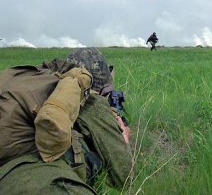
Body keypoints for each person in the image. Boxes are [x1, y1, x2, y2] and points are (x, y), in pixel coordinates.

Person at [0, 48, 132, 194]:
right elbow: (124, 178)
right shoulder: (94, 103)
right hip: (36, 181)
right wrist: (124, 140)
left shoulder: (44, 85)